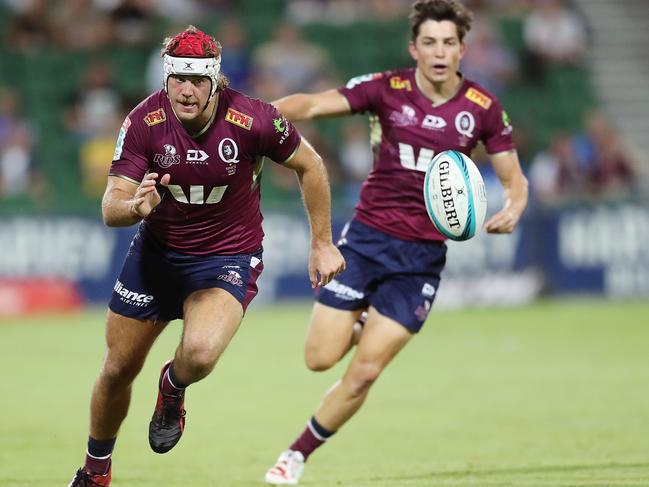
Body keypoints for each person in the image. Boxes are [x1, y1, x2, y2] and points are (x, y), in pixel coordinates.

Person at [264, 0, 529, 484]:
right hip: (365, 242)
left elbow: (515, 180)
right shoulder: (387, 89)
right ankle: (363, 318)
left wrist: (512, 208)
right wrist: (256, 116)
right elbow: (315, 104)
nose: (439, 51)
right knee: (319, 359)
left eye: (449, 42)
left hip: (421, 261)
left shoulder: (483, 109)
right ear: (414, 48)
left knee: (365, 373)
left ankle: (295, 455)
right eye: (429, 42)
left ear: (462, 49)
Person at [68, 25, 345, 487]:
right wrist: (135, 207)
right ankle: (96, 471)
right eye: (178, 78)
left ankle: (173, 388)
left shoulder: (254, 119)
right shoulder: (143, 122)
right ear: (165, 78)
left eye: (198, 80)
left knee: (198, 354)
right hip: (156, 257)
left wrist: (322, 242)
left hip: (226, 257)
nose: (187, 90)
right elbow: (110, 207)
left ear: (216, 81)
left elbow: (310, 164)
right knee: (117, 369)